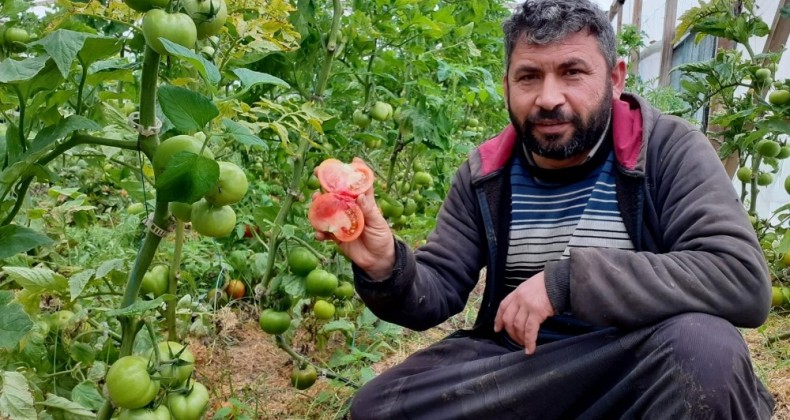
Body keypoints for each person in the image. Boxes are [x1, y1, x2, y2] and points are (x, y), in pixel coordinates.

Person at [314, 0, 775, 418]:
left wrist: (567, 283)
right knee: (379, 406)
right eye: (529, 76)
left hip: (634, 363)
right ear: (507, 84)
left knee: (704, 351)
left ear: (615, 79)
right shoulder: (485, 174)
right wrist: (384, 265)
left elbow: (739, 278)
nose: (549, 98)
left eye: (573, 72)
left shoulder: (667, 150)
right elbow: (436, 293)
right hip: (523, 365)